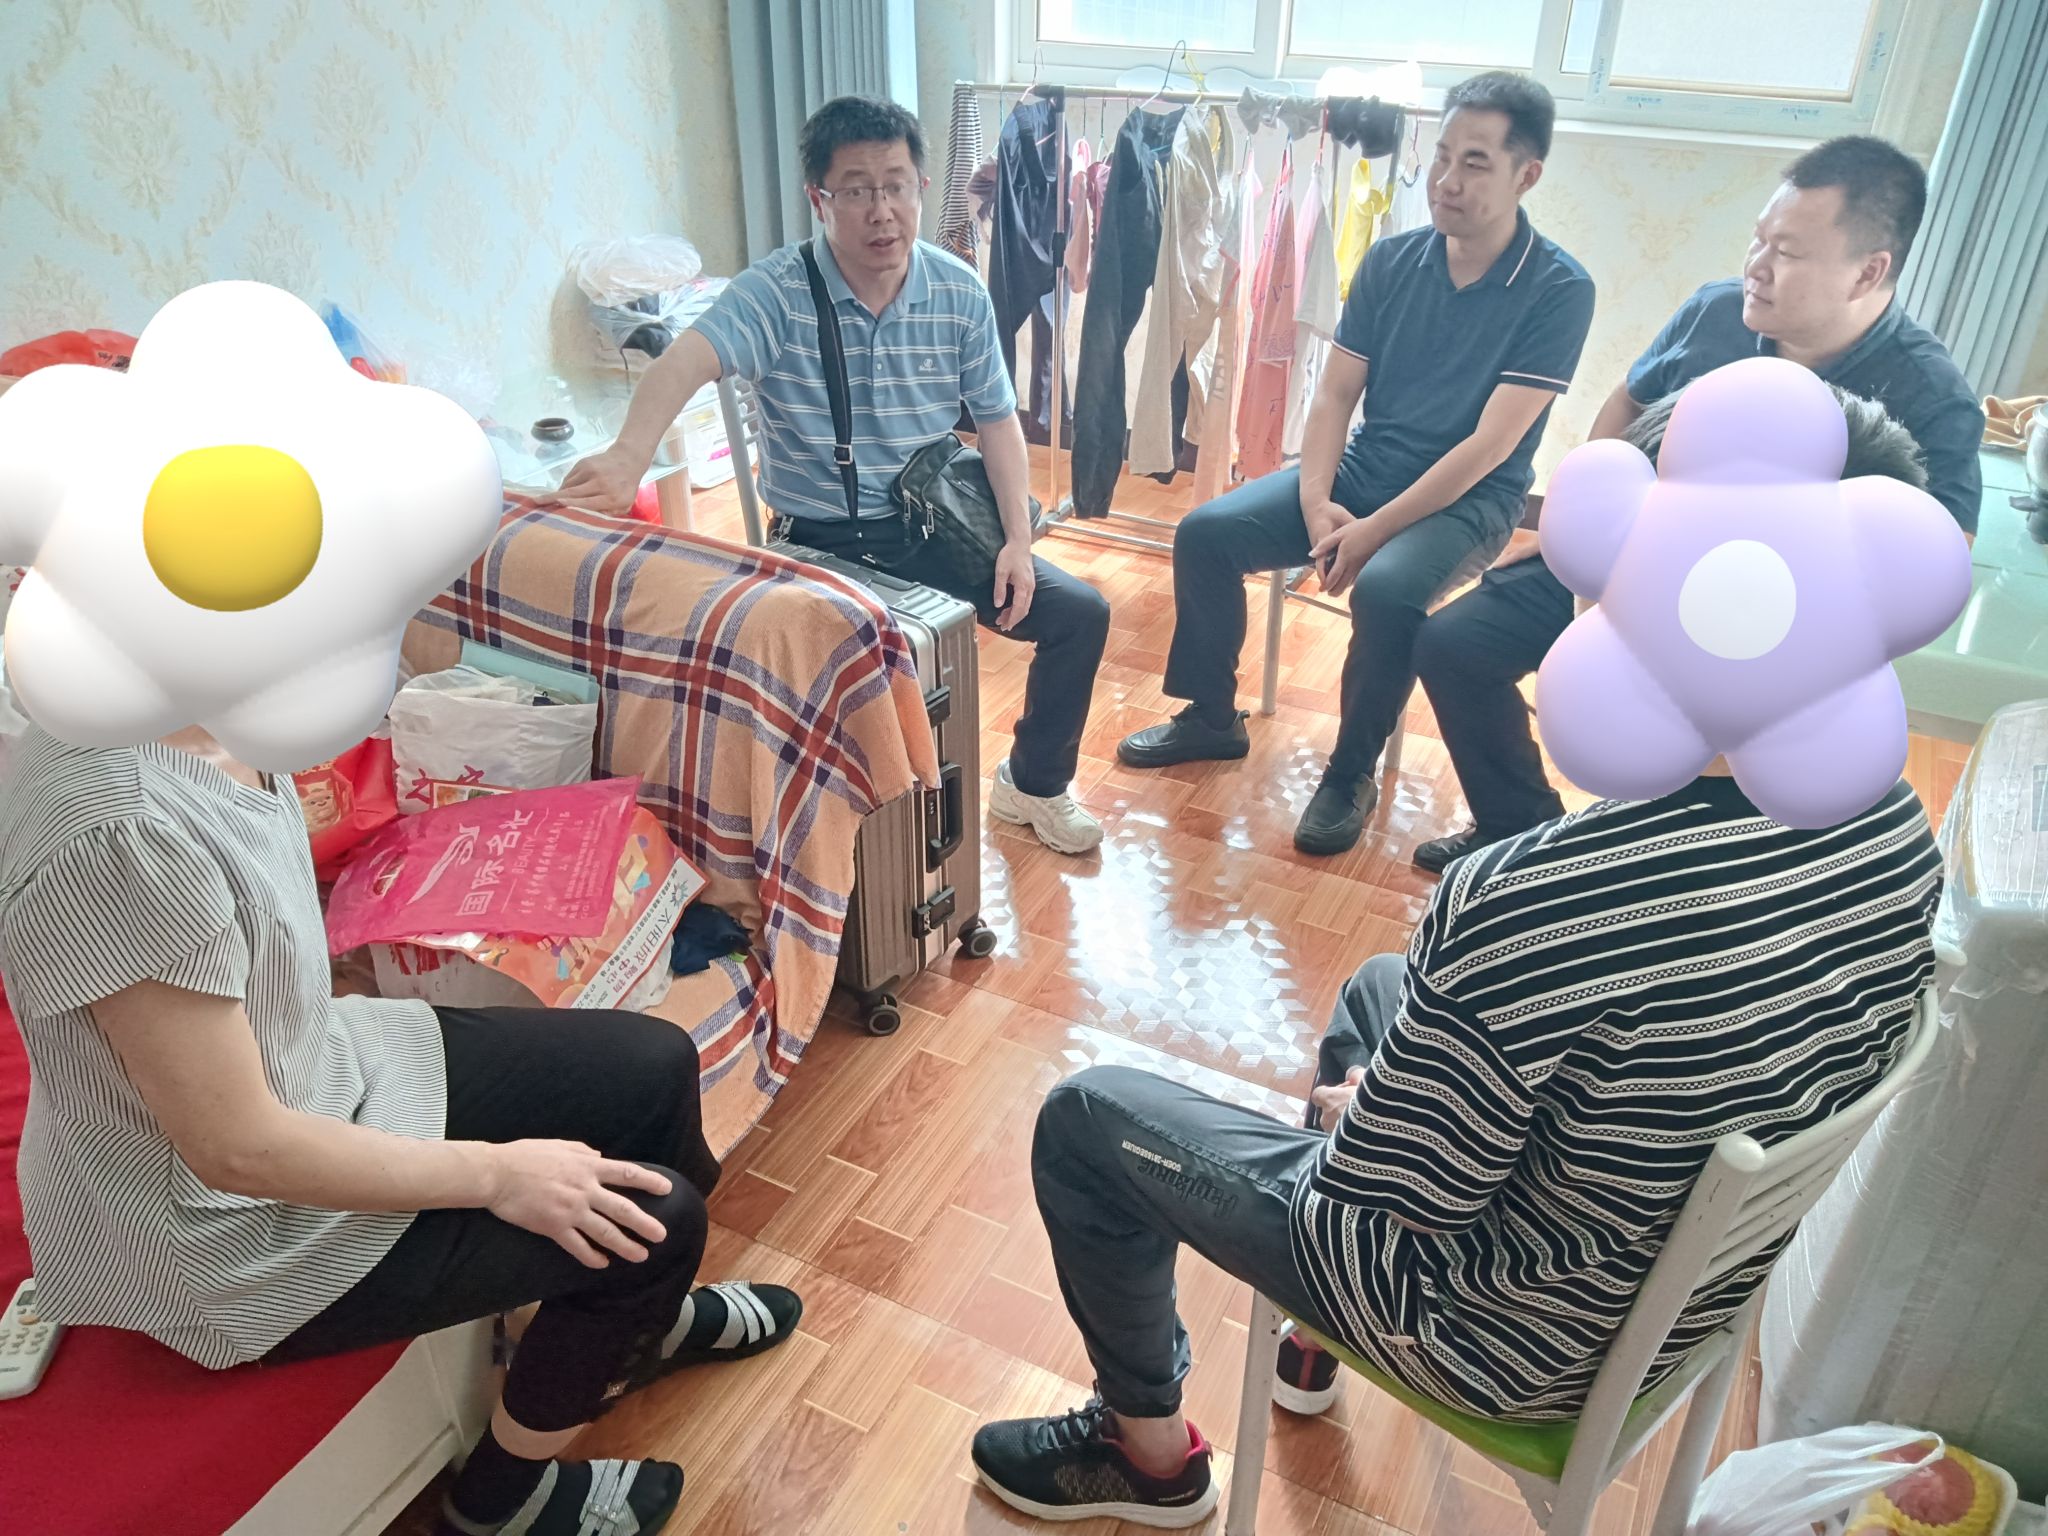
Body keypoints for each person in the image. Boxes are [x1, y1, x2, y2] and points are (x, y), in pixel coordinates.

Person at [967, 387, 1943, 1528]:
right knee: (1380, 988)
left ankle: (1148, 1456)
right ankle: (1312, 1337)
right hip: (1683, 1288)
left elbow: (1403, 1196)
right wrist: (1396, 1098)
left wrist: (1368, 1114)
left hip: (1497, 1336)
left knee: (1085, 1118)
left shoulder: (1533, 897)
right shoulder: (1894, 825)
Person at [0, 723, 803, 1536]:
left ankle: (640, 1327)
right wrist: (499, 1174)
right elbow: (238, 1149)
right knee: (653, 1231)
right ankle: (499, 1504)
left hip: (317, 1065)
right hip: (227, 1228)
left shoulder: (227, 724)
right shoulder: (121, 834)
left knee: (654, 1068)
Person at [1410, 134, 1985, 874]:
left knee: (1703, 748)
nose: (1756, 266)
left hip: (1768, 632)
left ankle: (1675, 879)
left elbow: (1943, 552)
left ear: (1869, 271)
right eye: (1758, 238)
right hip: (1632, 570)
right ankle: (1518, 829)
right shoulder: (1716, 313)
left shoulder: (1931, 397)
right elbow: (1627, 402)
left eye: (1787, 251)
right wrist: (1578, 531)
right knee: (1454, 646)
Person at [561, 96, 1111, 857]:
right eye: (856, 190)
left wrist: (1018, 539)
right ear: (819, 200)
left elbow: (996, 422)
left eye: (896, 185)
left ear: (922, 187)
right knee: (860, 680)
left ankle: (1033, 784)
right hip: (819, 542)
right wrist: (628, 457)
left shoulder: (956, 291)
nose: (881, 210)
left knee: (1079, 614)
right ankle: (840, 845)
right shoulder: (776, 292)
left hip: (932, 522)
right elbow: (683, 362)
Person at [1116, 71, 1596, 858]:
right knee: (1206, 533)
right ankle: (1210, 716)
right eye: (1443, 156)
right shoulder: (1392, 261)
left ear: (1526, 174)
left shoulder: (1558, 289)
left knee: (1388, 590)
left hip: (1470, 502)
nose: (1446, 180)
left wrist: (1370, 532)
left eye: (1475, 163)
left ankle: (1349, 773)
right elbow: (1335, 395)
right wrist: (1317, 503)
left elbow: (1489, 447)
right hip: (1364, 471)